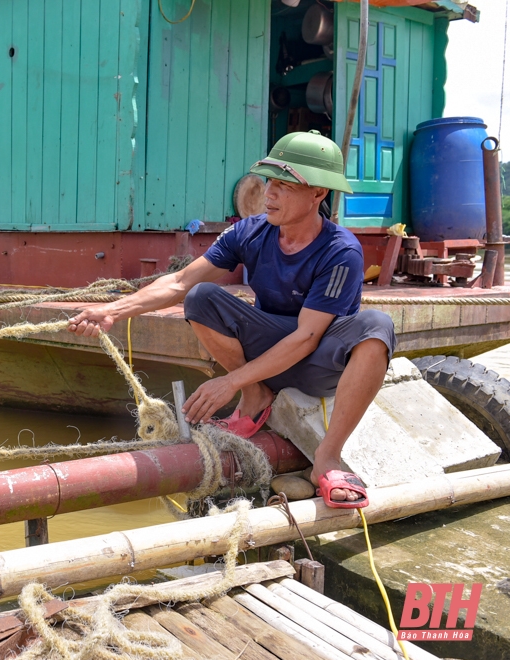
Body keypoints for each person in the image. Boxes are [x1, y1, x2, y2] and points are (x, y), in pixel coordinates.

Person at [68, 130, 395, 509]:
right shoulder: (250, 231)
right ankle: (257, 396)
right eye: (269, 181)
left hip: (319, 361)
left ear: (318, 194)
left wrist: (230, 381)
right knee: (201, 297)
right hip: (270, 351)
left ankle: (328, 457)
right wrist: (111, 310)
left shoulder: (341, 251)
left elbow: (307, 338)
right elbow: (179, 281)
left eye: (285, 186)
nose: (269, 193)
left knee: (376, 326)